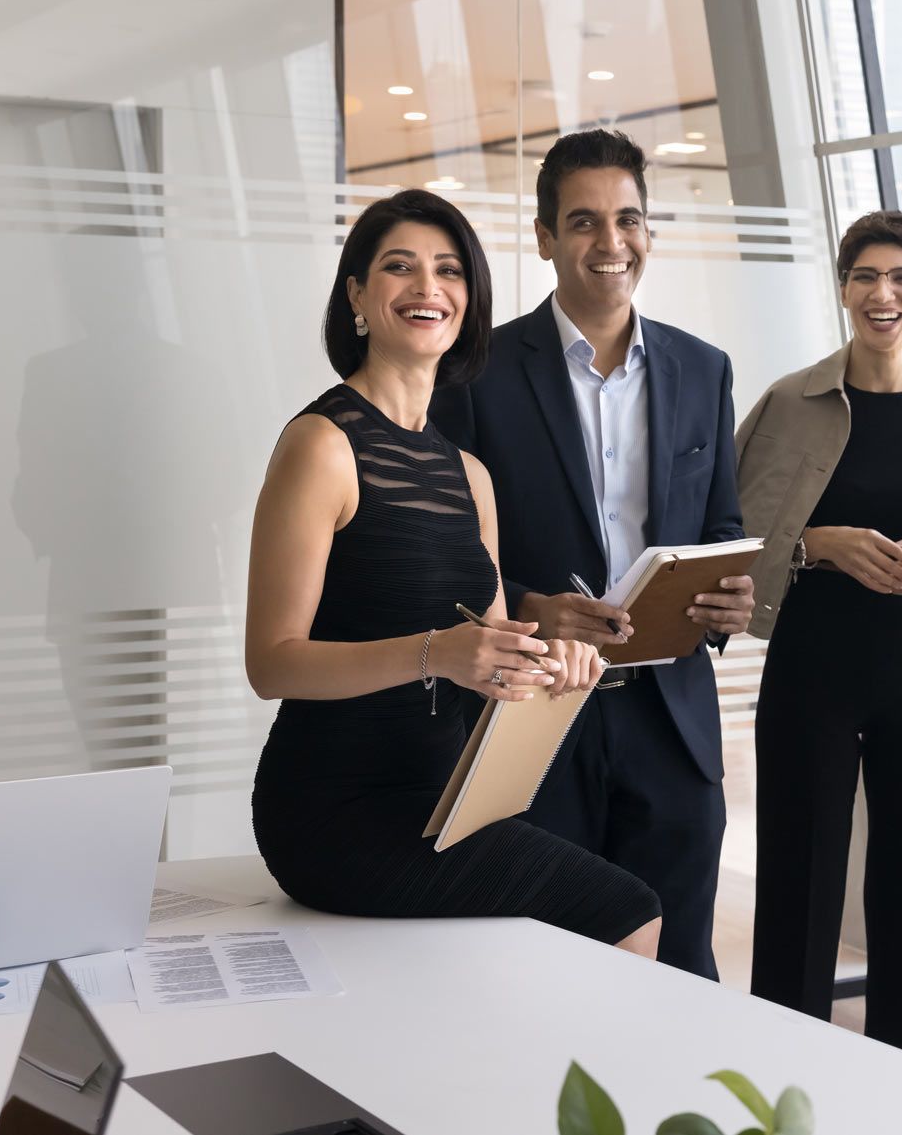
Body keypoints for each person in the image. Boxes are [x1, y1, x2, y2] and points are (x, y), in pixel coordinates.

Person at [245, 189, 660, 956]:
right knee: (627, 911)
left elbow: (493, 652)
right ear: (358, 296)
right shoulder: (321, 445)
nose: (427, 287)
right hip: (336, 809)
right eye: (399, 268)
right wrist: (435, 651)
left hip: (454, 796)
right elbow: (271, 663)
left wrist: (553, 661)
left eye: (448, 271)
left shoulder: (470, 473)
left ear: (469, 301)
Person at [430, 130, 752, 980]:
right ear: (544, 238)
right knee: (544, 963)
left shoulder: (704, 369)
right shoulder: (476, 375)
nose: (610, 243)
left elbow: (720, 524)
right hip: (536, 711)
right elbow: (443, 554)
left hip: (670, 718)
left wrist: (728, 598)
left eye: (628, 219)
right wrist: (530, 605)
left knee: (681, 962)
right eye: (583, 222)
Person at [736, 210, 902, 1060]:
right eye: (865, 276)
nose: (883, 294)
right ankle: (785, 1071)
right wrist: (819, 544)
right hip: (813, 665)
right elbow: (732, 541)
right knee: (799, 877)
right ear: (843, 288)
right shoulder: (786, 401)